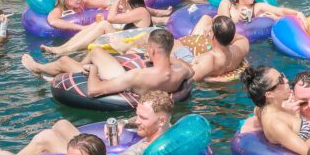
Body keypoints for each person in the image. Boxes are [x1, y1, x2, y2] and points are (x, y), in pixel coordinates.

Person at [0, 90, 174, 155]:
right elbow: (141, 120)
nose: (138, 121)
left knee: (46, 137)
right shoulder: (167, 127)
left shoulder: (147, 150)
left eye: (143, 118)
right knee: (62, 125)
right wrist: (126, 122)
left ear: (160, 120)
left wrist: (94, 154)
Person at [22, 28, 193, 99]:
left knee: (65, 61)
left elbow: (94, 91)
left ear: (153, 51)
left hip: (120, 83)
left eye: (149, 49)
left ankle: (40, 68)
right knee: (96, 51)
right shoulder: (180, 71)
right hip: (142, 81)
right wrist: (165, 58)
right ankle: (65, 71)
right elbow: (191, 70)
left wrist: (94, 70)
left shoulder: (137, 75)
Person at [40, 0, 155, 56]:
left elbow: (110, 18)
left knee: (104, 24)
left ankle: (66, 49)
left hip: (130, 45)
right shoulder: (137, 11)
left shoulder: (140, 11)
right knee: (97, 24)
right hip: (127, 40)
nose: (121, 0)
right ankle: (62, 48)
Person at [174, 15, 249, 82]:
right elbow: (243, 39)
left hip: (192, 65)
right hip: (222, 54)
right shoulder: (238, 51)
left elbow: (190, 78)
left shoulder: (209, 59)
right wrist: (226, 32)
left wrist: (212, 79)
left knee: (175, 43)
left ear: (213, 35)